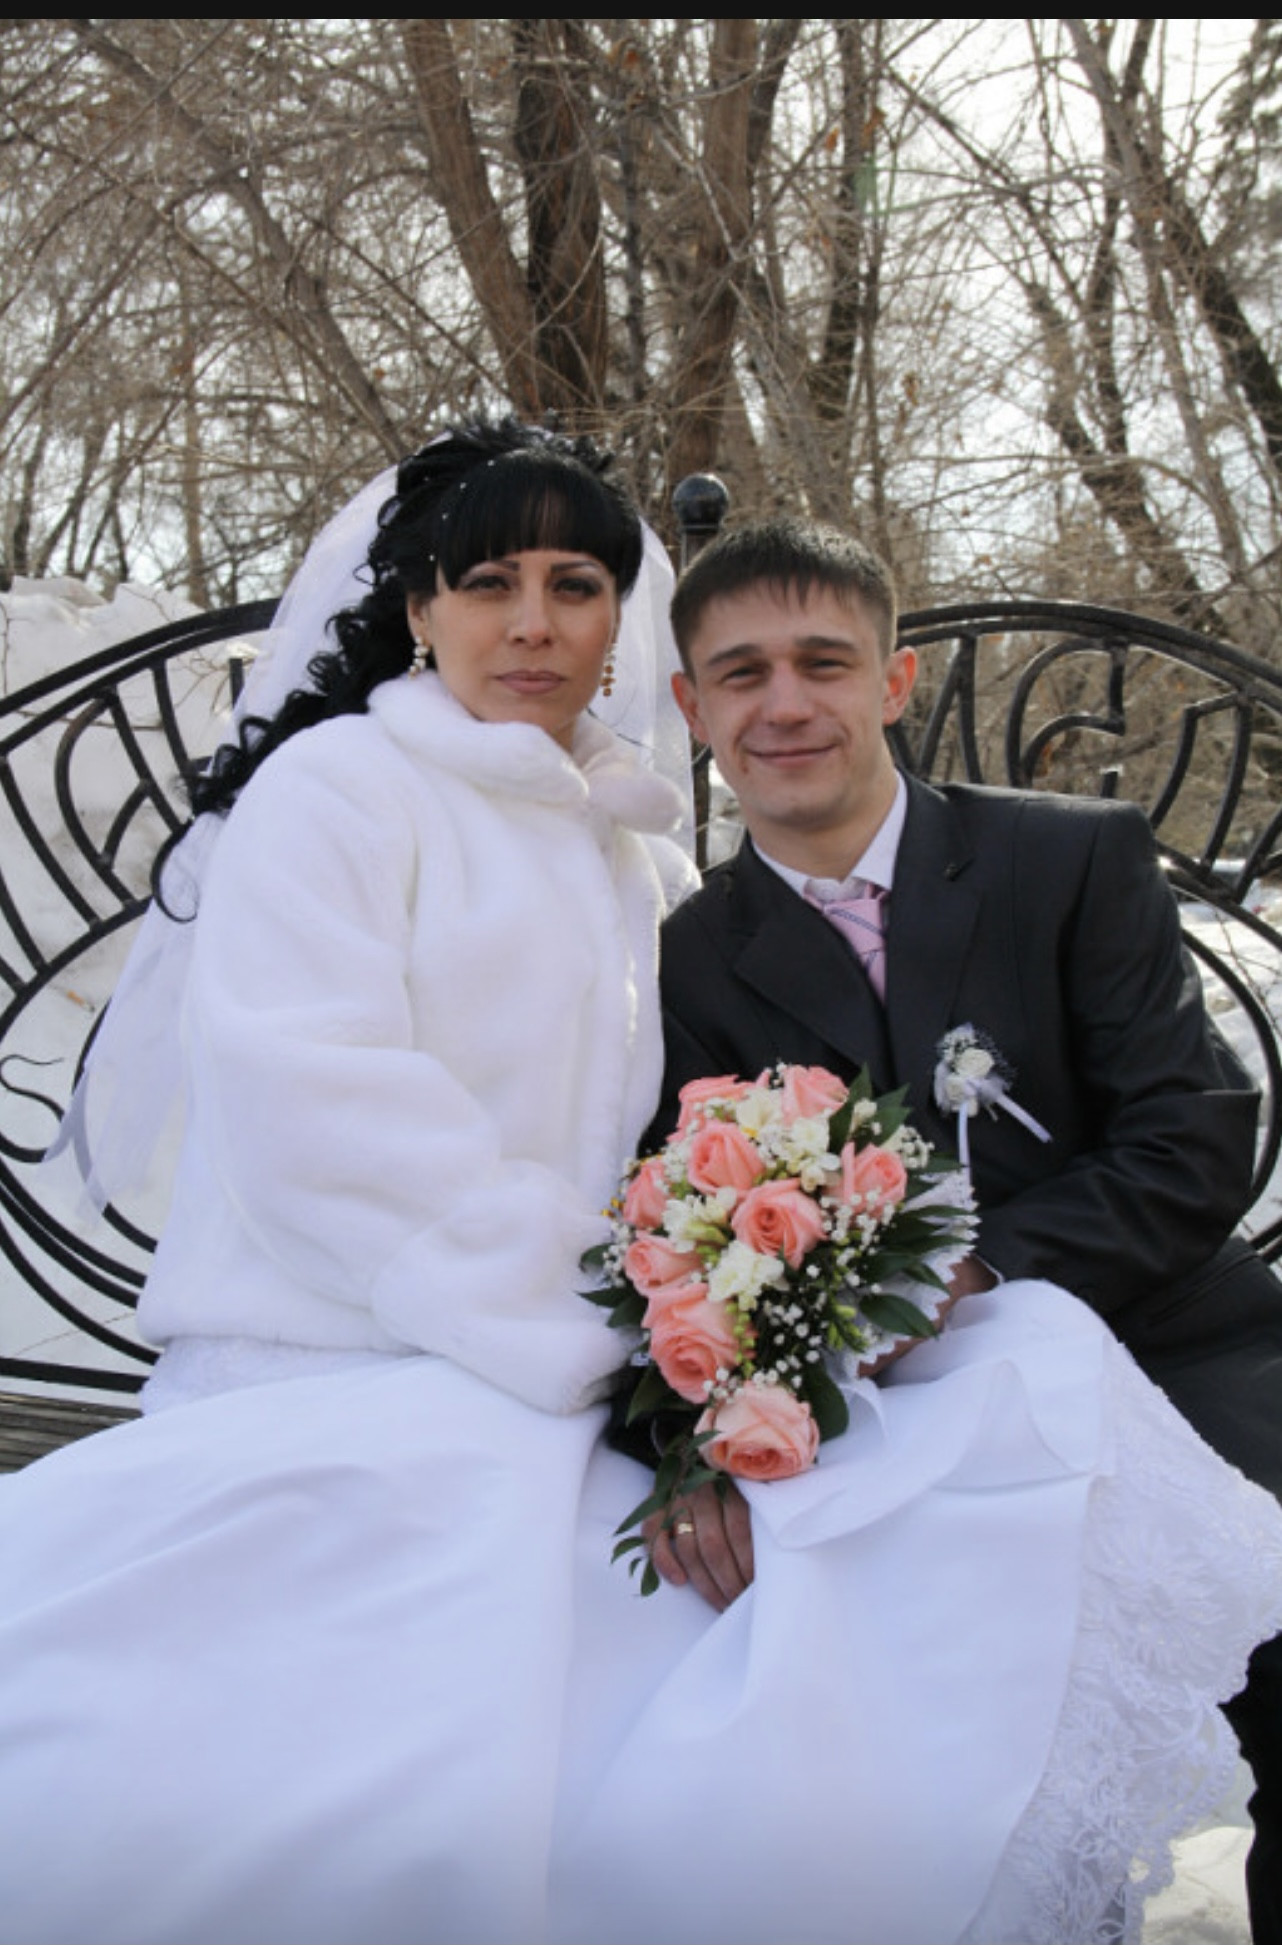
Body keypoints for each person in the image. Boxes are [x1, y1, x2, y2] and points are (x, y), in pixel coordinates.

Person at [0, 441, 1278, 1945]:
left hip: (781, 1344)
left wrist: (704, 1344)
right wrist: (647, 1361)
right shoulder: (348, 792)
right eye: (489, 583)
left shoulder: (627, 850)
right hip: (373, 1344)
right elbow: (326, 1109)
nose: (533, 623)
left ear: (623, 620)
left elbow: (686, 1174)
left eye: (576, 585)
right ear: (419, 608)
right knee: (643, 1658)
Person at [653, 513, 1282, 1942]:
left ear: (894, 679)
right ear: (692, 708)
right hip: (885, 1413)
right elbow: (679, 1231)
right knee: (867, 1715)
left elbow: (1189, 1136)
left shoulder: (1067, 859)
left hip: (1168, 1343)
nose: (784, 703)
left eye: (823, 661)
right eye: (741, 673)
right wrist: (698, 1439)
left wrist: (974, 1268)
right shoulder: (686, 958)